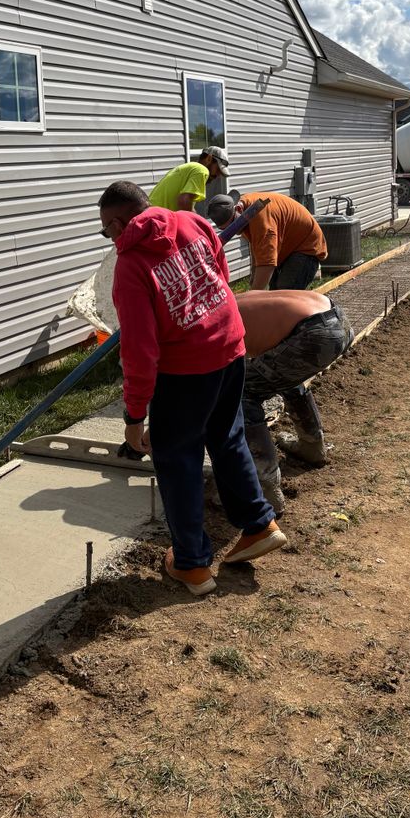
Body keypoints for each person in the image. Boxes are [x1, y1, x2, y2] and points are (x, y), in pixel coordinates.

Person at [98, 179, 285, 596]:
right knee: (227, 436)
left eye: (106, 231)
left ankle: (192, 565)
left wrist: (134, 417)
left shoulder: (131, 265)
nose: (110, 239)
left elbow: (139, 351)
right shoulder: (192, 221)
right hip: (230, 348)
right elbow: (220, 277)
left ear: (117, 223)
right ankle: (259, 524)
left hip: (186, 370)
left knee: (177, 460)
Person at [234, 289, 355, 514]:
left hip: (314, 335)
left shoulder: (209, 328)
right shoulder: (229, 301)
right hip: (337, 318)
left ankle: (265, 488)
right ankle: (312, 445)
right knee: (284, 373)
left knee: (243, 393)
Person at [205, 191, 327, 289]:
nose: (234, 232)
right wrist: (253, 281)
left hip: (306, 246)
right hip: (287, 246)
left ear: (238, 209)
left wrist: (253, 297)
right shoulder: (246, 211)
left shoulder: (261, 220)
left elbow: (266, 264)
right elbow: (258, 249)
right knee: (273, 293)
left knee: (283, 294)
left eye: (233, 226)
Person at [149, 146, 231, 212]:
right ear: (209, 158)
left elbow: (187, 205)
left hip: (151, 215)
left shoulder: (190, 169)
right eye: (218, 169)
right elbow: (184, 202)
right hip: (157, 218)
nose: (218, 175)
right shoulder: (201, 170)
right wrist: (197, 222)